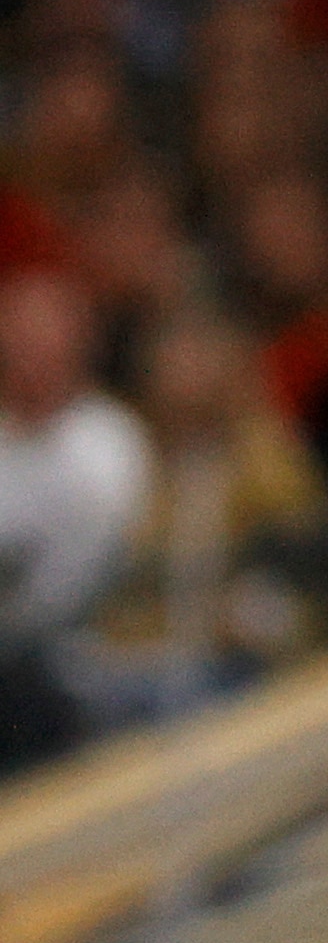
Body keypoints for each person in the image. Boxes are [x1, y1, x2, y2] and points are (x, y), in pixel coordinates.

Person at [0, 268, 149, 768]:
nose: (30, 350)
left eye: (44, 332)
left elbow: (103, 573)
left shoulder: (109, 441)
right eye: (17, 334)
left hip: (91, 656)